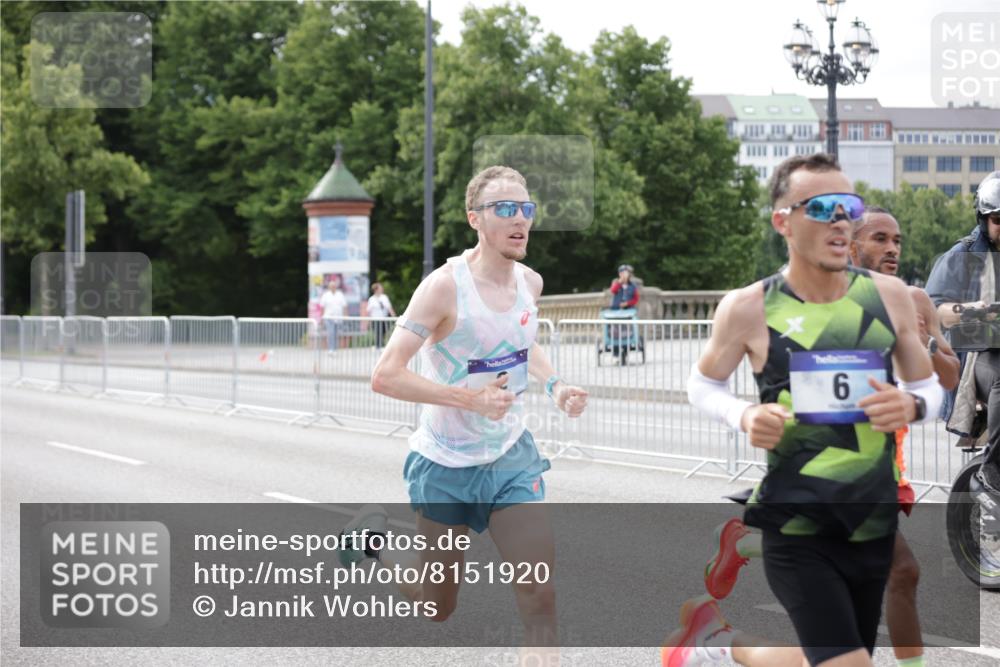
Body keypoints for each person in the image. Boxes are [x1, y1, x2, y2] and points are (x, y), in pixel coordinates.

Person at [665, 154, 943, 667]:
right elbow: (702, 385)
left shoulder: (891, 298)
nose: (840, 220)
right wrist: (743, 415)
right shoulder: (749, 306)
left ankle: (720, 648)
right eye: (822, 208)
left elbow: (931, 390)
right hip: (796, 524)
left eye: (848, 207)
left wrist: (910, 402)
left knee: (836, 657)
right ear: (783, 222)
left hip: (869, 521)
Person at [353, 166, 588, 658]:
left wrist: (555, 385)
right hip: (444, 465)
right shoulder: (443, 288)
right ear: (474, 219)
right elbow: (385, 374)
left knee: (539, 594)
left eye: (526, 208)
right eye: (504, 208)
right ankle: (381, 548)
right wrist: (470, 399)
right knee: (437, 606)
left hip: (509, 458)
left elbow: (524, 344)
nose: (519, 218)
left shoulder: (531, 283)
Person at [926, 170, 1000, 493]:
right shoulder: (965, 255)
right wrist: (978, 310)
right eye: (998, 219)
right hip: (979, 357)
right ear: (983, 219)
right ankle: (993, 472)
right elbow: (934, 310)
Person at [320, 277, 348, 353]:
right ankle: (331, 349)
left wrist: (346, 316)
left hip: (338, 317)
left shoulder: (340, 294)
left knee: (336, 334)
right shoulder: (326, 295)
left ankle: (335, 349)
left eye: (334, 286)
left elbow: (344, 306)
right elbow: (322, 307)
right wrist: (321, 317)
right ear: (329, 287)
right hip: (328, 317)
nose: (333, 287)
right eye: (331, 286)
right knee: (331, 333)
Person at [367, 282, 396, 348]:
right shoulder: (371, 299)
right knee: (377, 332)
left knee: (383, 332)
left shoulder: (384, 297)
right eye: (380, 288)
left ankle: (380, 344)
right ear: (376, 290)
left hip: (383, 319)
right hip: (375, 319)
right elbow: (369, 311)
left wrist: (394, 317)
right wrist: (368, 321)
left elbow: (389, 308)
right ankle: (378, 345)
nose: (382, 289)